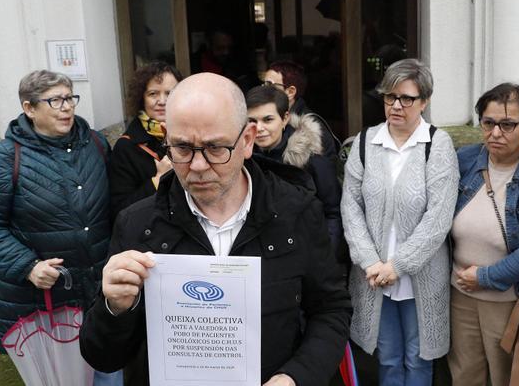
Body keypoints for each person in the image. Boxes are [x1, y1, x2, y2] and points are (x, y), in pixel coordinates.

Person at [79, 73, 351, 386]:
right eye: (182, 148)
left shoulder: (296, 212)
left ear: (247, 140)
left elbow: (331, 310)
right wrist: (114, 308)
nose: (197, 165)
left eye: (215, 148)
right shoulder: (137, 225)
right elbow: (103, 356)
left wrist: (295, 376)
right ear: (166, 137)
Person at [0, 70, 118, 384]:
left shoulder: (95, 143)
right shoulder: (5, 158)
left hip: (97, 292)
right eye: (55, 100)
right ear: (30, 108)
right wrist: (28, 266)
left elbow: (114, 208)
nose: (66, 107)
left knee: (110, 374)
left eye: (70, 98)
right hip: (45, 302)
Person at [341, 58, 458, 386]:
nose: (396, 106)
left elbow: (439, 217)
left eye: (407, 98)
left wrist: (398, 265)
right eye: (390, 97)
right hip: (374, 275)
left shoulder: (436, 145)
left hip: (419, 275)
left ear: (424, 101)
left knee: (418, 359)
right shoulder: (366, 142)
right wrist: (371, 263)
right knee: (388, 359)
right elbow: (351, 207)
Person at [448, 83, 519, 386]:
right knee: (464, 375)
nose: (496, 133)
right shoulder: (465, 160)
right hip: (459, 294)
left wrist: (486, 276)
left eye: (508, 124)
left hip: (507, 299)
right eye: (488, 123)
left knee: (504, 376)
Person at [245, 85, 347, 263]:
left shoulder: (311, 156)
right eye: (252, 121)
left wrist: (326, 257)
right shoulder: (242, 159)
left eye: (267, 120)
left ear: (285, 119)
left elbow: (333, 211)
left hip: (308, 254)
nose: (259, 128)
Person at [108, 62, 182, 220]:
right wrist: (157, 181)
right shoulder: (127, 146)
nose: (162, 101)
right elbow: (121, 210)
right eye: (153, 94)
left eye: (169, 93)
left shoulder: (192, 135)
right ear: (142, 98)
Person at [264, 60, 339, 158]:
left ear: (290, 92)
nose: (263, 90)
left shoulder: (310, 129)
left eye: (270, 85)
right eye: (263, 84)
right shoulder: (265, 119)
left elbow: (323, 171)